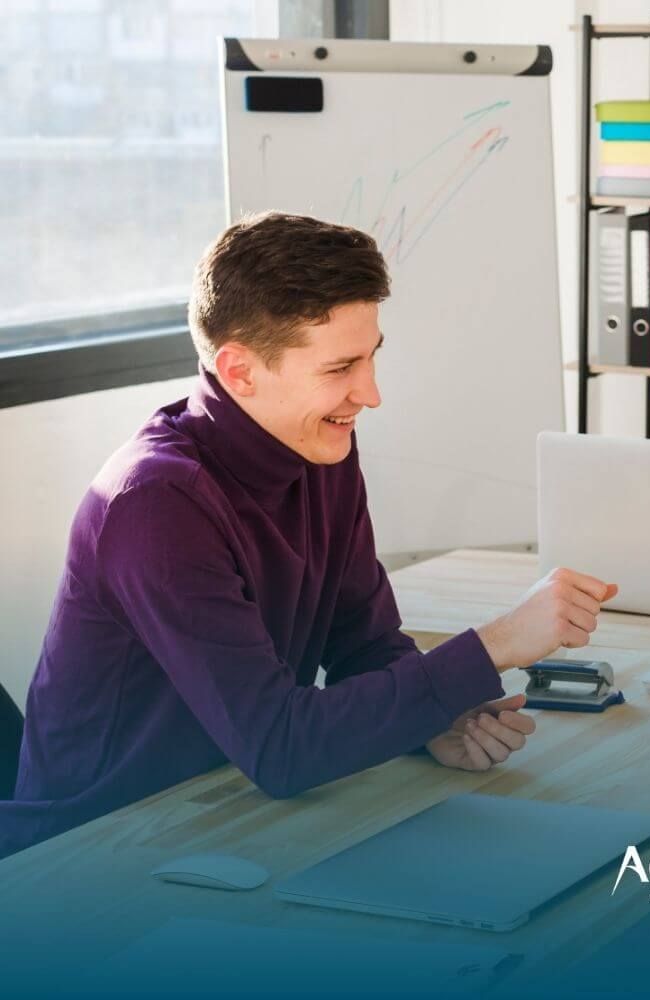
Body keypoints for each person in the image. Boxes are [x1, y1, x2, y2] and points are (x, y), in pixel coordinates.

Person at [1, 212, 615, 859]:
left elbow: (366, 644)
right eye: (340, 367)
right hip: (95, 860)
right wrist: (497, 644)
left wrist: (431, 720)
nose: (370, 393)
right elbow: (280, 746)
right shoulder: (156, 505)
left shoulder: (319, 447)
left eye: (373, 358)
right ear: (239, 371)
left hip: (226, 817)